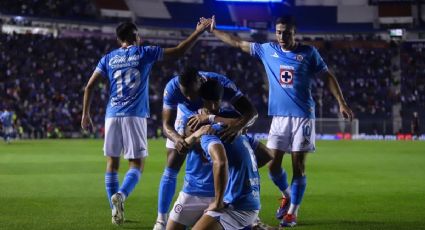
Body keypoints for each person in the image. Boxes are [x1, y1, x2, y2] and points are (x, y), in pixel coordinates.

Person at [211, 16, 354, 227]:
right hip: (279, 117)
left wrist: (341, 102)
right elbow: (238, 42)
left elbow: (328, 76)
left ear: (294, 33)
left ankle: (293, 212)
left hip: (303, 117)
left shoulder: (308, 53)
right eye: (279, 32)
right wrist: (214, 30)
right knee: (272, 164)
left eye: (286, 33)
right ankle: (287, 194)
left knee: (298, 165)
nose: (282, 36)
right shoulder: (267, 50)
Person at [81, 19, 212, 225]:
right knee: (137, 165)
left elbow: (89, 87)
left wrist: (85, 114)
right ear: (136, 37)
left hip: (111, 115)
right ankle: (122, 195)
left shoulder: (107, 58)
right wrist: (197, 32)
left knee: (112, 163)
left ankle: (115, 212)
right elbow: (179, 51)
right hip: (134, 114)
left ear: (118, 40)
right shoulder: (144, 52)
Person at [154, 66, 258, 229]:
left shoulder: (220, 83)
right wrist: (177, 138)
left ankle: (217, 205)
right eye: (185, 94)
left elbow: (250, 113)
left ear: (201, 83)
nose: (188, 97)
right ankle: (161, 219)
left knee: (216, 157)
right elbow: (166, 125)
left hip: (213, 114)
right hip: (186, 116)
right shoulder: (173, 87)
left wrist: (237, 127)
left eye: (191, 93)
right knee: (174, 160)